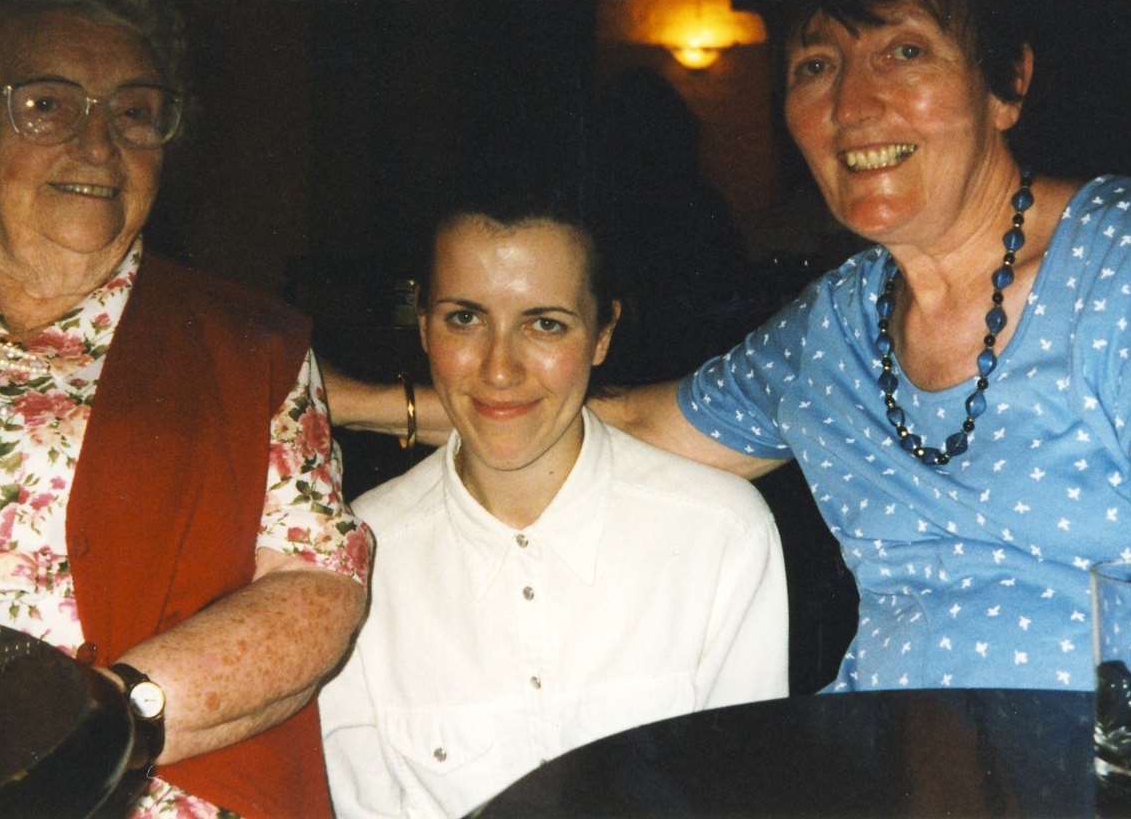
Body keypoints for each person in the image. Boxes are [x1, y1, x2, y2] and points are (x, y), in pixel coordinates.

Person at [327, 0, 1131, 695]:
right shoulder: (837, 326)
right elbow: (631, 419)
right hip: (887, 764)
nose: (852, 105)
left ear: (1006, 84)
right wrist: (349, 401)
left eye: (905, 53)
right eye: (814, 66)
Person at [0, 0, 372, 817]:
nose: (98, 142)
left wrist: (107, 721)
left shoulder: (247, 344)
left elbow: (318, 581)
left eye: (136, 112)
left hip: (152, 781)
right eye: (46, 104)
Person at [318, 189, 788, 818]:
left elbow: (745, 796)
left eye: (545, 324)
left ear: (602, 335)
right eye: (465, 318)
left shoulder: (722, 533)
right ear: (424, 326)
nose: (500, 368)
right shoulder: (352, 557)